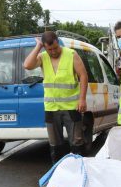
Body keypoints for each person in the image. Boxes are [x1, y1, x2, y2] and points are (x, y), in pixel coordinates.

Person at [24, 31, 89, 164]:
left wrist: (82, 99)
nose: (53, 51)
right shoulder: (42, 57)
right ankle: (58, 173)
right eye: (49, 49)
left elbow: (83, 76)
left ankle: (79, 172)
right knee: (55, 145)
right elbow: (27, 65)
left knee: (77, 142)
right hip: (51, 108)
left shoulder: (71, 54)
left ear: (58, 42)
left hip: (72, 107)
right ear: (45, 47)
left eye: (55, 48)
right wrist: (38, 47)